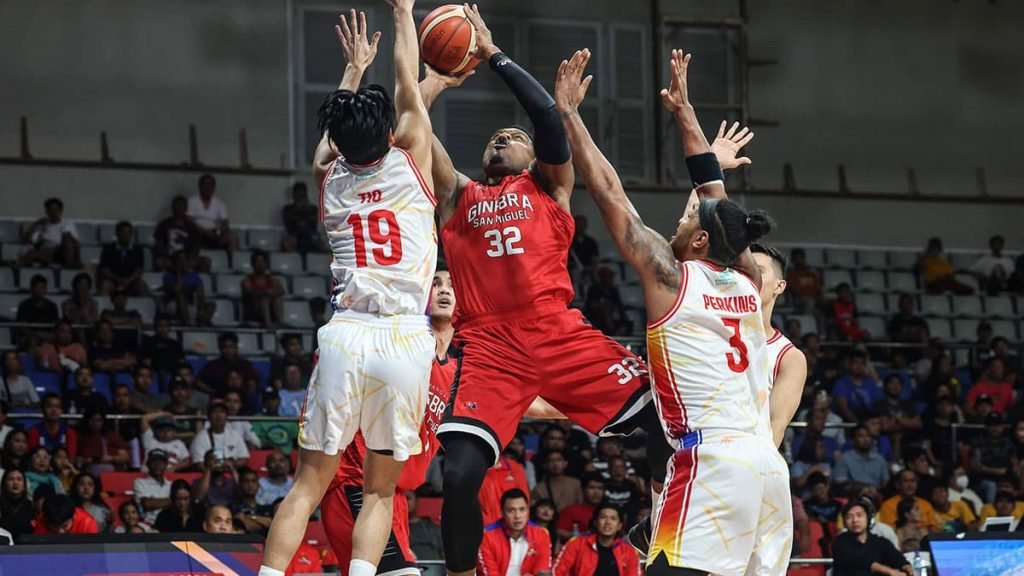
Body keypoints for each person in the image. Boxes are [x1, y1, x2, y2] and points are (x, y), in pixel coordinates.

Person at [421, 14, 673, 576]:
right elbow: (412, 126)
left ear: (533, 158)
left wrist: (491, 55)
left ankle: (655, 522)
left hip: (558, 331)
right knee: (459, 476)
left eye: (513, 137)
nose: (502, 137)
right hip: (490, 346)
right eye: (493, 137)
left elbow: (547, 119)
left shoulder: (549, 186)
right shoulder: (456, 194)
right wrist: (435, 77)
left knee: (669, 417)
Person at [555, 49, 782, 574]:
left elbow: (611, 194)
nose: (678, 219)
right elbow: (713, 193)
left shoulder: (671, 276)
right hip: (764, 467)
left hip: (710, 461)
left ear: (700, 239)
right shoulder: (748, 277)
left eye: (687, 219)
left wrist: (569, 116)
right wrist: (685, 114)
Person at [259, 5, 439, 576]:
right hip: (405, 339)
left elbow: (324, 144)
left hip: (346, 334)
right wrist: (405, 12)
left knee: (309, 483)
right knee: (381, 490)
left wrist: (352, 71)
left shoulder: (328, 179)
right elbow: (410, 79)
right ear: (389, 133)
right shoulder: (411, 159)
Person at [319, 264, 458, 576]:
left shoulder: (459, 372)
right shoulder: (401, 340)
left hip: (391, 497)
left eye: (452, 284)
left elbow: (522, 401)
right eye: (435, 283)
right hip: (356, 480)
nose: (444, 289)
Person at [750, 243, 807, 447]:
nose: (749, 277)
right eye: (743, 270)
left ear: (779, 286)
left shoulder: (789, 358)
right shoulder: (713, 334)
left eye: (758, 270)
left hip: (748, 464)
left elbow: (775, 427)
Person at [478, 489, 552, 576]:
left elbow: (542, 571)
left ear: (528, 511)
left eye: (522, 509)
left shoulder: (541, 534)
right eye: (511, 511)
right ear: (502, 513)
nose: (517, 516)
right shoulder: (486, 536)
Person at [831, 499, 912, 576]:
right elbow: (864, 563)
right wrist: (891, 572)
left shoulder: (880, 542)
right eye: (849, 517)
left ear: (868, 518)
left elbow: (898, 559)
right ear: (844, 523)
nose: (855, 520)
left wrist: (906, 567)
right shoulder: (839, 543)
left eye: (859, 515)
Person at [554, 504, 641, 576]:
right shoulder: (578, 543)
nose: (607, 522)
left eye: (613, 519)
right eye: (603, 517)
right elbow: (557, 570)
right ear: (595, 522)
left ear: (619, 526)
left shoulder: (629, 552)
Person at [16, 197, 80, 268]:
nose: (53, 212)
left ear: (61, 210)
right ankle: (15, 267)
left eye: (56, 209)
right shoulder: (43, 226)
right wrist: (36, 224)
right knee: (32, 254)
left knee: (67, 236)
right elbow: (27, 241)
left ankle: (69, 267)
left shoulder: (68, 224)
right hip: (47, 253)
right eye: (50, 209)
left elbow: (74, 242)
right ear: (46, 211)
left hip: (62, 251)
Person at [190, 400, 249, 469]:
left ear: (227, 416)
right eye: (215, 412)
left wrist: (231, 464)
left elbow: (243, 458)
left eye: (222, 411)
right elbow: (200, 464)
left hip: (232, 473)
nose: (219, 415)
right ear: (209, 417)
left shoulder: (235, 435)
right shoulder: (201, 437)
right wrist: (217, 468)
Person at [970, 411, 1015, 503]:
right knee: (991, 486)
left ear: (1002, 427)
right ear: (987, 426)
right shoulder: (977, 442)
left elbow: (1014, 463)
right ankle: (992, 513)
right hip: (983, 480)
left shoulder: (1008, 443)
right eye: (992, 425)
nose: (995, 428)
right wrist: (999, 471)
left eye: (998, 425)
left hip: (1006, 478)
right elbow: (977, 467)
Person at [188, 174, 237, 255]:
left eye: (210, 185)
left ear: (214, 188)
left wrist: (219, 231)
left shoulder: (219, 203)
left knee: (233, 237)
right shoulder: (192, 201)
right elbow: (189, 221)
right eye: (205, 184)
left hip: (214, 233)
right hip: (197, 233)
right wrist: (205, 231)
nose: (208, 187)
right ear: (200, 186)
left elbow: (225, 222)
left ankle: (231, 264)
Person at [162, 250, 212, 326]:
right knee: (181, 296)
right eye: (180, 260)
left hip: (191, 303)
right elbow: (177, 290)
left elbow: (201, 295)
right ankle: (188, 325)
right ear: (175, 262)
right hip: (174, 305)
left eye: (185, 259)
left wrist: (201, 310)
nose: (183, 262)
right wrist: (179, 273)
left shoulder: (194, 276)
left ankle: (201, 324)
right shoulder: (168, 276)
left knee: (211, 304)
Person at [833, 424, 889, 492]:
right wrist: (860, 488)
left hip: (876, 495)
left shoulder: (879, 459)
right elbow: (839, 483)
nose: (865, 439)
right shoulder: (845, 458)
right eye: (861, 436)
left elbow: (885, 483)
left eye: (868, 436)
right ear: (853, 440)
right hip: (853, 496)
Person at [98, 220, 148, 296]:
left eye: (128, 233)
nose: (126, 235)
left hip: (131, 282)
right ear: (117, 234)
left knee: (142, 285)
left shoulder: (138, 250)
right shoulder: (108, 249)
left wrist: (129, 280)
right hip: (113, 281)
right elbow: (104, 270)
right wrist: (118, 279)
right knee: (105, 285)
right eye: (123, 233)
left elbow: (139, 270)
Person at [155, 195, 203, 271]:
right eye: (178, 206)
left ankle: (193, 280)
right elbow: (159, 245)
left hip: (187, 259)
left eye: (182, 206)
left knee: (206, 262)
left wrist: (188, 258)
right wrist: (171, 257)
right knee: (160, 262)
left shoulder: (192, 227)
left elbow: (196, 246)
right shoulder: (164, 225)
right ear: (173, 208)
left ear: (186, 209)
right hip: (170, 259)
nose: (180, 209)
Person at [832, 351, 883, 423]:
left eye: (862, 364)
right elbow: (843, 408)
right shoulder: (841, 383)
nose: (859, 366)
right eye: (856, 363)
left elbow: (879, 404)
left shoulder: (871, 383)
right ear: (849, 365)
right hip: (849, 421)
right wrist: (858, 423)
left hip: (869, 419)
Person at [77, 408, 130, 474]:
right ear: (87, 421)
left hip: (114, 475)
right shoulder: (82, 439)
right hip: (91, 476)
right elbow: (78, 461)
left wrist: (112, 459)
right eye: (92, 420)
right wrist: (85, 461)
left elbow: (127, 458)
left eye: (98, 420)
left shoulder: (112, 436)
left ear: (103, 421)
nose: (95, 423)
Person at [241, 250, 285, 327]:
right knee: (264, 299)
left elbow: (281, 291)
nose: (260, 264)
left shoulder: (274, 281)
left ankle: (280, 322)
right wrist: (265, 292)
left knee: (277, 299)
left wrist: (270, 293)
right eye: (257, 262)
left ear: (266, 264)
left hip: (271, 311)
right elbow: (249, 293)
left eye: (262, 261)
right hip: (254, 312)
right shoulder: (246, 281)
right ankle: (268, 325)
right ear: (253, 264)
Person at [557, 474, 606, 542]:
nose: (596, 492)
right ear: (583, 489)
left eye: (600, 488)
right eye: (591, 487)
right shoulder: (570, 511)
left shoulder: (609, 512)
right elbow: (559, 531)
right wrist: (580, 536)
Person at [28, 394, 78, 459]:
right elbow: (32, 458)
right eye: (49, 406)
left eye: (57, 407)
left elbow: (71, 458)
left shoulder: (69, 433)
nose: (54, 410)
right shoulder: (34, 431)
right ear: (42, 409)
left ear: (61, 410)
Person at [281, 182, 325, 254]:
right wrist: (300, 211)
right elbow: (289, 225)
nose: (300, 197)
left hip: (310, 235)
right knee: (286, 244)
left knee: (321, 244)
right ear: (294, 195)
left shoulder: (312, 209)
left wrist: (303, 211)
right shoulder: (288, 209)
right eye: (298, 194)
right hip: (294, 235)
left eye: (302, 194)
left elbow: (314, 224)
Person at [232, 467, 274, 534]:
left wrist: (249, 517)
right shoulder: (233, 507)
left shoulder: (266, 508)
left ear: (258, 486)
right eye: (246, 481)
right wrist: (263, 522)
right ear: (240, 485)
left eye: (253, 481)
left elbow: (272, 524)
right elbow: (244, 526)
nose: (250, 484)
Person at [33, 493, 99, 535]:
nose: (60, 532)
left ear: (73, 516)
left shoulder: (87, 524)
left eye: (65, 526)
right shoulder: (42, 519)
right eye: (55, 527)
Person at [405, 490, 443, 560]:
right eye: (400, 499)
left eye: (407, 498)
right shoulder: (391, 532)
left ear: (416, 501)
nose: (404, 502)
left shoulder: (433, 529)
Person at [785, 248, 821, 314]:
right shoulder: (791, 274)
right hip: (798, 299)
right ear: (793, 260)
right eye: (796, 258)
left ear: (804, 259)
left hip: (814, 298)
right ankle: (807, 320)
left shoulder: (811, 273)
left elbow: (817, 289)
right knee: (810, 301)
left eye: (800, 257)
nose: (799, 260)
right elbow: (792, 290)